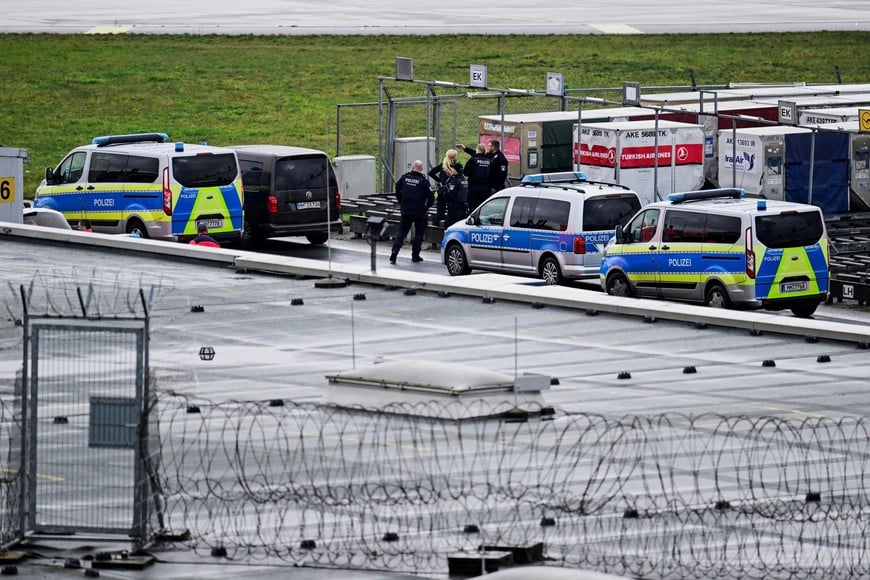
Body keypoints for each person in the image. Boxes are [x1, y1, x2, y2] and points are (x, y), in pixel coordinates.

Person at [391, 160, 434, 264]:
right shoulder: (423, 181)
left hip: (406, 209)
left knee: (402, 231)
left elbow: (397, 189)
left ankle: (394, 253)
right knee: (419, 233)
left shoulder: (404, 178)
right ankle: (415, 255)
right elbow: (431, 198)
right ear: (421, 169)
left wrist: (401, 201)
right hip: (419, 211)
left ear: (413, 167)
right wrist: (427, 207)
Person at [428, 149, 465, 227]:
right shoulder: (455, 167)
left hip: (442, 190)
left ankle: (436, 228)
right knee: (451, 212)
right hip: (451, 192)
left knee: (440, 211)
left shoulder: (443, 165)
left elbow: (431, 173)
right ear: (454, 157)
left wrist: (439, 180)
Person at [460, 143, 492, 212]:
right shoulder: (489, 161)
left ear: (477, 150)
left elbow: (466, 173)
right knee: (483, 207)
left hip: (473, 187)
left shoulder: (472, 160)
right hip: (486, 188)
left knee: (473, 208)